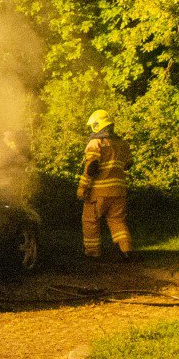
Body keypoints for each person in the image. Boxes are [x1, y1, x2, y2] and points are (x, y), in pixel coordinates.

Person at [79, 108, 134, 262]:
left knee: (90, 221)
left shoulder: (95, 143)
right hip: (119, 192)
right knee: (117, 221)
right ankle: (126, 250)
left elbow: (91, 167)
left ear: (97, 125)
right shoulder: (122, 143)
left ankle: (92, 253)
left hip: (98, 192)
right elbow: (128, 164)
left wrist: (82, 187)